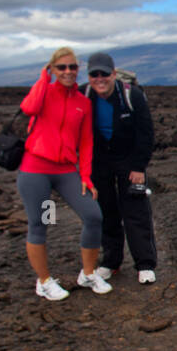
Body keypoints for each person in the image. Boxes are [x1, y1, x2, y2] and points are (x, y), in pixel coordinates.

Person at [17, 46, 111, 300]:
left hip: (67, 170)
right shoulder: (44, 92)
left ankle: (88, 274)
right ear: (52, 69)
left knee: (93, 216)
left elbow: (86, 142)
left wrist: (86, 176)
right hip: (35, 168)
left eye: (72, 67)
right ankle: (44, 281)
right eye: (61, 67)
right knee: (40, 224)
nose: (68, 72)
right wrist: (43, 78)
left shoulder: (83, 103)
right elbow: (29, 108)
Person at [81, 52, 158, 283]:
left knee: (135, 209)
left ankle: (145, 264)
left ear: (113, 74)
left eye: (104, 73)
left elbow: (146, 133)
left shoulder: (131, 95)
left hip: (128, 159)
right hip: (99, 160)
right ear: (89, 76)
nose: (99, 78)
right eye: (94, 74)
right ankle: (110, 262)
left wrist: (138, 166)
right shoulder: (83, 94)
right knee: (105, 210)